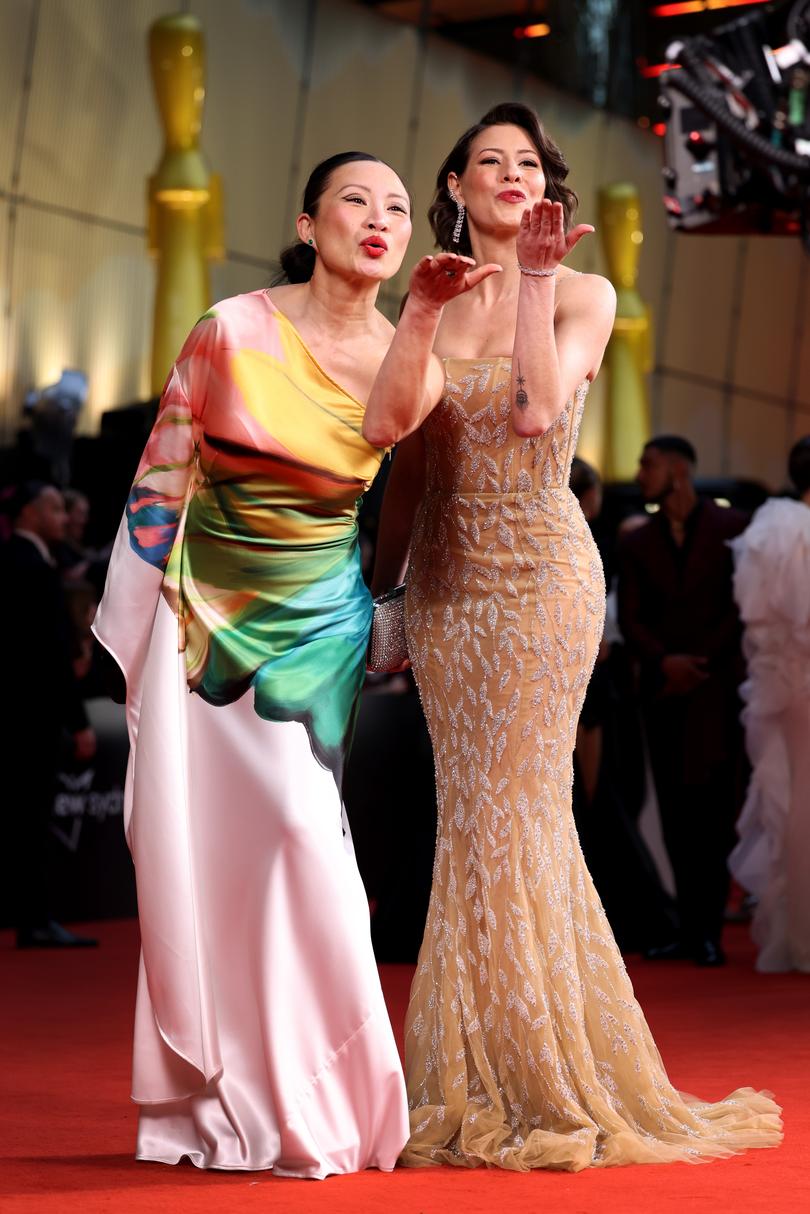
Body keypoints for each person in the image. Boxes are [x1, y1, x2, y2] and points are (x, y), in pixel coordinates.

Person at [372, 101, 781, 1171]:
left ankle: (550, 1069)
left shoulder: (587, 291)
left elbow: (537, 417)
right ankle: (477, 1063)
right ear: (453, 188)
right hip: (450, 591)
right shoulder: (427, 297)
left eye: (526, 161)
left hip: (546, 579)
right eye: (486, 162)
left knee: (524, 811)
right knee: (472, 820)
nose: (510, 173)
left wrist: (539, 285)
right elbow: (407, 470)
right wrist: (383, 602)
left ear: (542, 187)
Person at [92, 150, 498, 1178]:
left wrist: (418, 316)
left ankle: (338, 1105)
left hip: (313, 635)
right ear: (309, 223)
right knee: (210, 856)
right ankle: (219, 1107)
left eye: (398, 207)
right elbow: (162, 475)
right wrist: (135, 620)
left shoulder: (419, 353)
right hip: (205, 625)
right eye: (355, 200)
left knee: (303, 843)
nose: (378, 217)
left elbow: (384, 426)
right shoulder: (229, 329)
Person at [618, 436, 748, 968]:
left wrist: (698, 663)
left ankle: (709, 929)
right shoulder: (636, 538)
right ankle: (687, 931)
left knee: (714, 811)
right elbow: (629, 615)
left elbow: (740, 610)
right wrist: (664, 662)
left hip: (714, 690)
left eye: (647, 463)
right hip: (663, 689)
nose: (639, 472)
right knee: (673, 808)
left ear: (678, 469)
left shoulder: (732, 527)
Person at [568, 459, 678, 955]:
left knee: (592, 800)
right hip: (588, 686)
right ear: (591, 498)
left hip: (577, 687)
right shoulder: (595, 551)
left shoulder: (588, 548)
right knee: (594, 801)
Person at [0, 481, 97, 947]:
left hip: (20, 715)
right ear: (30, 514)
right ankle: (35, 920)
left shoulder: (20, 561)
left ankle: (31, 917)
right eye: (56, 509)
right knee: (30, 820)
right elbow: (50, 653)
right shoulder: (31, 567)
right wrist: (78, 722)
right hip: (31, 718)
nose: (65, 518)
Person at [729, 436, 810, 972]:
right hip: (797, 681)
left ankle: (790, 934)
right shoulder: (799, 530)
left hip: (774, 688)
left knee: (787, 807)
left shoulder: (764, 526)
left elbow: (754, 613)